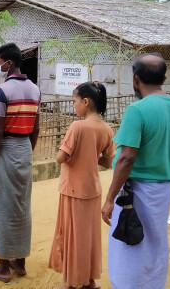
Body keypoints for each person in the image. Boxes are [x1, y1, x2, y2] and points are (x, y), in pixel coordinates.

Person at [101, 54, 170, 289]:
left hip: (136, 193)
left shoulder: (137, 110)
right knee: (155, 243)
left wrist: (110, 199)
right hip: (162, 191)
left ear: (135, 79)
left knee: (128, 244)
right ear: (163, 78)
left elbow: (126, 158)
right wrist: (160, 157)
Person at [0, 43, 40, 283]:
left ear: (9, 63)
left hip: (6, 148)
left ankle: (3, 267)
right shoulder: (35, 89)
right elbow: (36, 128)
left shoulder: (2, 91)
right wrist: (27, 151)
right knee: (22, 205)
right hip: (24, 147)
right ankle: (20, 261)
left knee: (3, 206)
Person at [49, 81, 115, 289]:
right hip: (92, 190)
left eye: (74, 101)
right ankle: (89, 279)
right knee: (89, 236)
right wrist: (90, 155)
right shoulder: (106, 129)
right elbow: (108, 160)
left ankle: (73, 282)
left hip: (73, 190)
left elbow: (61, 157)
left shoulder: (77, 126)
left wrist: (71, 152)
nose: (74, 106)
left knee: (72, 235)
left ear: (85, 102)